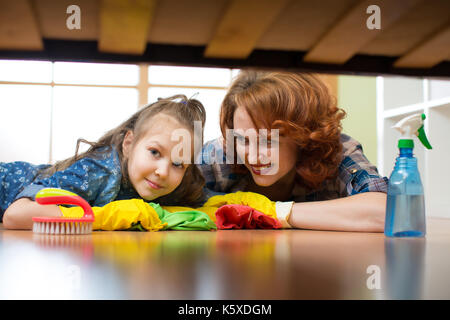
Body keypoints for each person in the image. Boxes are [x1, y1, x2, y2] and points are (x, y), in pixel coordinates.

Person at [197, 70, 388, 232]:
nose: (254, 157)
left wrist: (275, 211)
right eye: (243, 140)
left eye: (269, 141)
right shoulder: (221, 153)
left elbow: (386, 212)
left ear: (304, 136)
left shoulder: (335, 151)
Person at [1, 95, 206, 229]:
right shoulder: (99, 170)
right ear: (128, 143)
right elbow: (15, 215)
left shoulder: (172, 184)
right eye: (154, 152)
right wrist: (107, 216)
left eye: (178, 164)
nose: (163, 171)